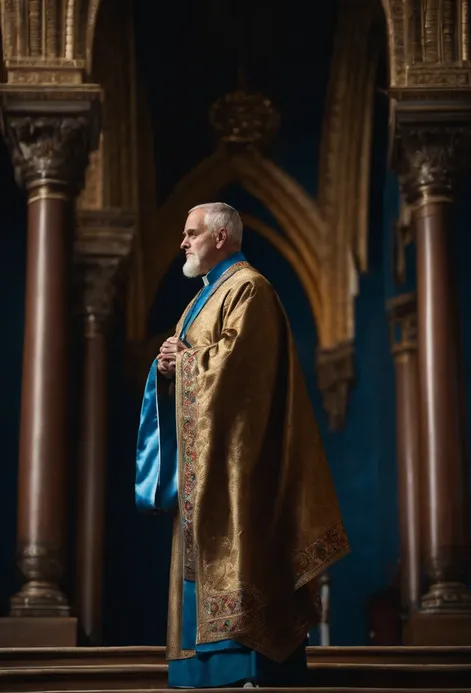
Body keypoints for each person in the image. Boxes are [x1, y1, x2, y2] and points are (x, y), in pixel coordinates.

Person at [135, 202, 349, 688]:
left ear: (222, 237)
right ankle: (200, 669)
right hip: (203, 471)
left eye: (192, 233)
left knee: (240, 559)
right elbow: (197, 364)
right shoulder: (201, 299)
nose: (184, 243)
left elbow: (243, 370)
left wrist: (185, 363)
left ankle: (241, 667)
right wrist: (167, 368)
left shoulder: (249, 288)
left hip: (237, 468)